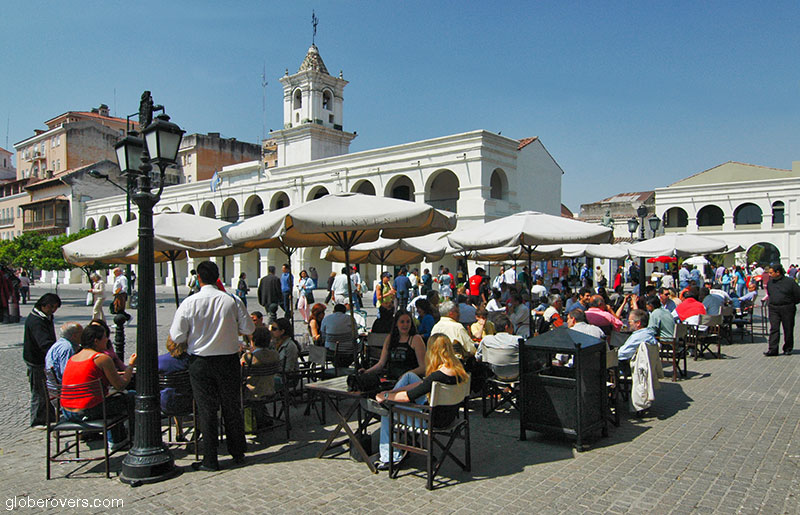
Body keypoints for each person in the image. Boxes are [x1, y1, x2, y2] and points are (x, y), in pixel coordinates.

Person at [169, 260, 255, 472]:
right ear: (217, 277)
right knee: (231, 406)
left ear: (198, 278)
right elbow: (248, 328)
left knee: (206, 410)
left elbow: (177, 336)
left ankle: (210, 458)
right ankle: (237, 452)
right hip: (228, 360)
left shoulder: (189, 303)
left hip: (200, 362)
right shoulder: (231, 300)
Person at [373, 333, 469, 470]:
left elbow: (407, 397)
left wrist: (386, 396)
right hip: (450, 416)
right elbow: (422, 384)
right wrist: (394, 392)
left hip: (430, 421)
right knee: (409, 376)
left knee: (386, 411)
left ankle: (390, 458)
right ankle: (406, 440)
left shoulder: (436, 377)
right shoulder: (460, 370)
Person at [61, 324, 137, 448]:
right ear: (96, 341)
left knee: (113, 399)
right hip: (87, 411)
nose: (107, 340)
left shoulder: (73, 358)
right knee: (131, 397)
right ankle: (126, 439)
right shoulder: (102, 359)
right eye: (105, 337)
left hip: (67, 410)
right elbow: (120, 385)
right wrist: (130, 365)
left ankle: (117, 437)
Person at [23, 293, 61, 428]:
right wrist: (55, 354)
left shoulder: (46, 317)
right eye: (52, 307)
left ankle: (49, 416)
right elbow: (44, 343)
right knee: (39, 391)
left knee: (47, 390)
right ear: (44, 305)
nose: (53, 310)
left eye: (55, 308)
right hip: (36, 360)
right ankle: (38, 420)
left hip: (43, 359)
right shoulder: (36, 321)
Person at [362, 310, 426, 380]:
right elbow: (381, 364)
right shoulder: (390, 338)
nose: (405, 325)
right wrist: (366, 372)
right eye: (402, 322)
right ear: (396, 324)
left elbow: (423, 367)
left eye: (408, 322)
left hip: (409, 380)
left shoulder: (416, 339)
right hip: (391, 379)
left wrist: (407, 375)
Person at [158, 336, 193, 437]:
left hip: (165, 403)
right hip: (189, 403)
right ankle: (198, 430)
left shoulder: (159, 361)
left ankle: (179, 430)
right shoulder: (190, 360)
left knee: (172, 392)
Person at [764, 263, 800, 356]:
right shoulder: (770, 283)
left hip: (787, 308)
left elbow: (798, 294)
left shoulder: (790, 282)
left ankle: (787, 348)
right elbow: (770, 293)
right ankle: (773, 349)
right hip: (774, 308)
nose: (769, 275)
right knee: (774, 329)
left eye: (771, 273)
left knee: (788, 328)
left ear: (778, 272)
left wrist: (791, 303)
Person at [241, 326, 280, 400]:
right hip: (270, 390)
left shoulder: (248, 357)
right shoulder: (275, 355)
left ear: (253, 340)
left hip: (252, 392)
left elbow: (239, 373)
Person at [269, 317, 299, 388]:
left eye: (274, 329)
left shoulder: (290, 346)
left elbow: (288, 369)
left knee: (264, 381)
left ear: (282, 331)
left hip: (286, 378)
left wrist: (272, 370)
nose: (271, 331)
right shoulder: (274, 343)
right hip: (275, 374)